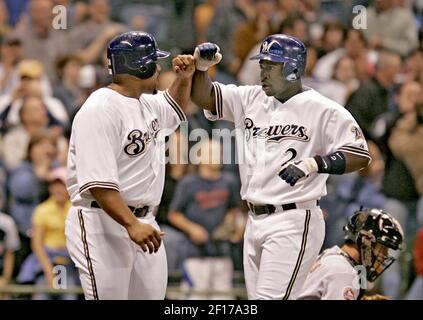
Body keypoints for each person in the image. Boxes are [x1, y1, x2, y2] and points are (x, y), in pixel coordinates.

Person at [185, 34, 372, 300]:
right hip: (254, 219)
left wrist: (314, 164)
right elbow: (204, 96)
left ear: (293, 68)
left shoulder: (323, 109)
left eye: (270, 66)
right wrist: (202, 69)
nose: (263, 72)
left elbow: (359, 154)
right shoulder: (250, 98)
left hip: (293, 219)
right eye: (262, 65)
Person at [64, 31, 195, 300]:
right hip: (103, 221)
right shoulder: (99, 109)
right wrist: (131, 224)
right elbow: (98, 184)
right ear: (140, 66)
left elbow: (175, 110)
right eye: (154, 62)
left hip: (144, 221)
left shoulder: (144, 101)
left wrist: (184, 79)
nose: (159, 68)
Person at [298, 208, 404, 300]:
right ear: (366, 240)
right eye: (383, 248)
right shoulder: (345, 272)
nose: (385, 254)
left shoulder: (332, 255)